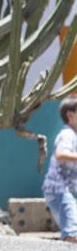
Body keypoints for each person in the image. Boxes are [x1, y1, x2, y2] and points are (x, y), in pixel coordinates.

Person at [43, 96, 77, 243]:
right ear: (70, 115)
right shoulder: (67, 134)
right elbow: (60, 154)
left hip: (69, 190)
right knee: (71, 231)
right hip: (60, 190)